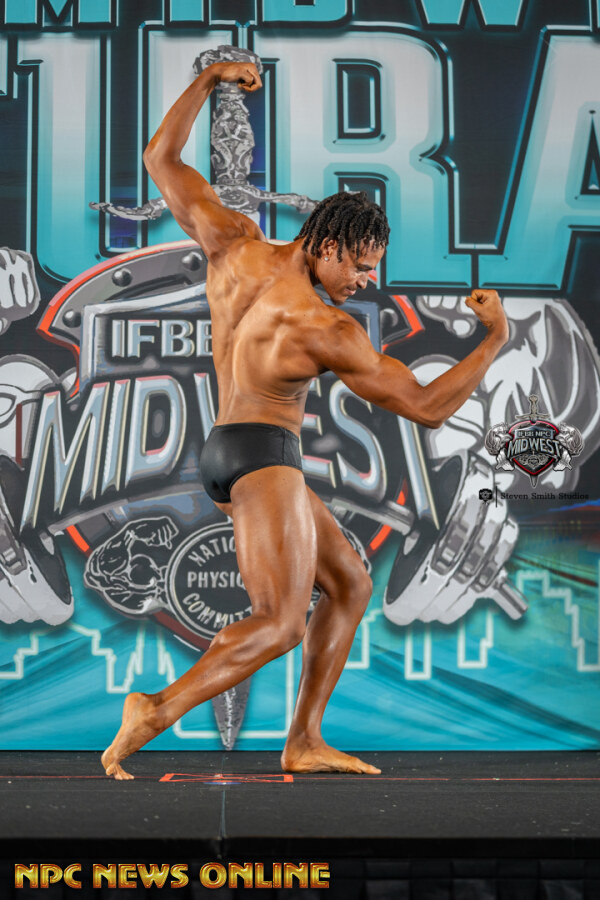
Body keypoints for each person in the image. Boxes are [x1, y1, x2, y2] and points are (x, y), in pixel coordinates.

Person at [102, 61, 509, 780]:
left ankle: (305, 740)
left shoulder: (234, 244)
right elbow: (425, 406)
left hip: (228, 449)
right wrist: (493, 340)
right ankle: (155, 709)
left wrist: (211, 78)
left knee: (349, 583)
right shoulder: (327, 328)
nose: (367, 281)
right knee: (282, 620)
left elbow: (160, 157)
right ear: (326, 246)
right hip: (265, 456)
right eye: (361, 266)